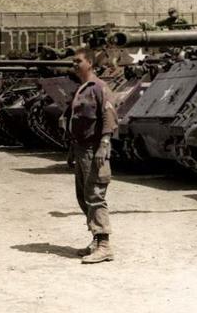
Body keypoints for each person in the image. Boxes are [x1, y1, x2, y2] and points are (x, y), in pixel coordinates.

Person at [65, 47, 117, 264]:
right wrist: (71, 151)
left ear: (90, 64)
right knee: (83, 195)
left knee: (95, 194)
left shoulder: (98, 87)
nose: (74, 65)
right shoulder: (82, 88)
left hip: (94, 148)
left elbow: (108, 115)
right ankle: (96, 239)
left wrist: (104, 145)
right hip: (81, 149)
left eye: (78, 61)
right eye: (73, 61)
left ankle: (104, 245)